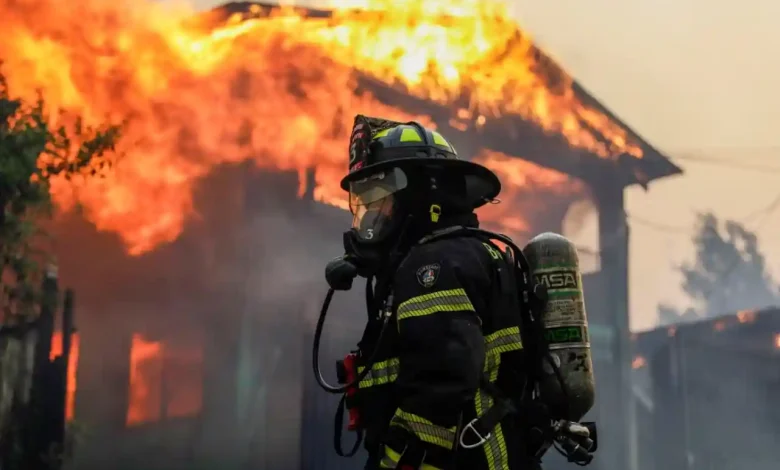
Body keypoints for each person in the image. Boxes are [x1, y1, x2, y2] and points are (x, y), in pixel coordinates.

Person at [323, 115, 590, 470]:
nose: (371, 221)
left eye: (380, 202)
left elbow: (437, 394)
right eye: (365, 207)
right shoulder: (475, 255)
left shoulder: (432, 267)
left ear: (418, 196)